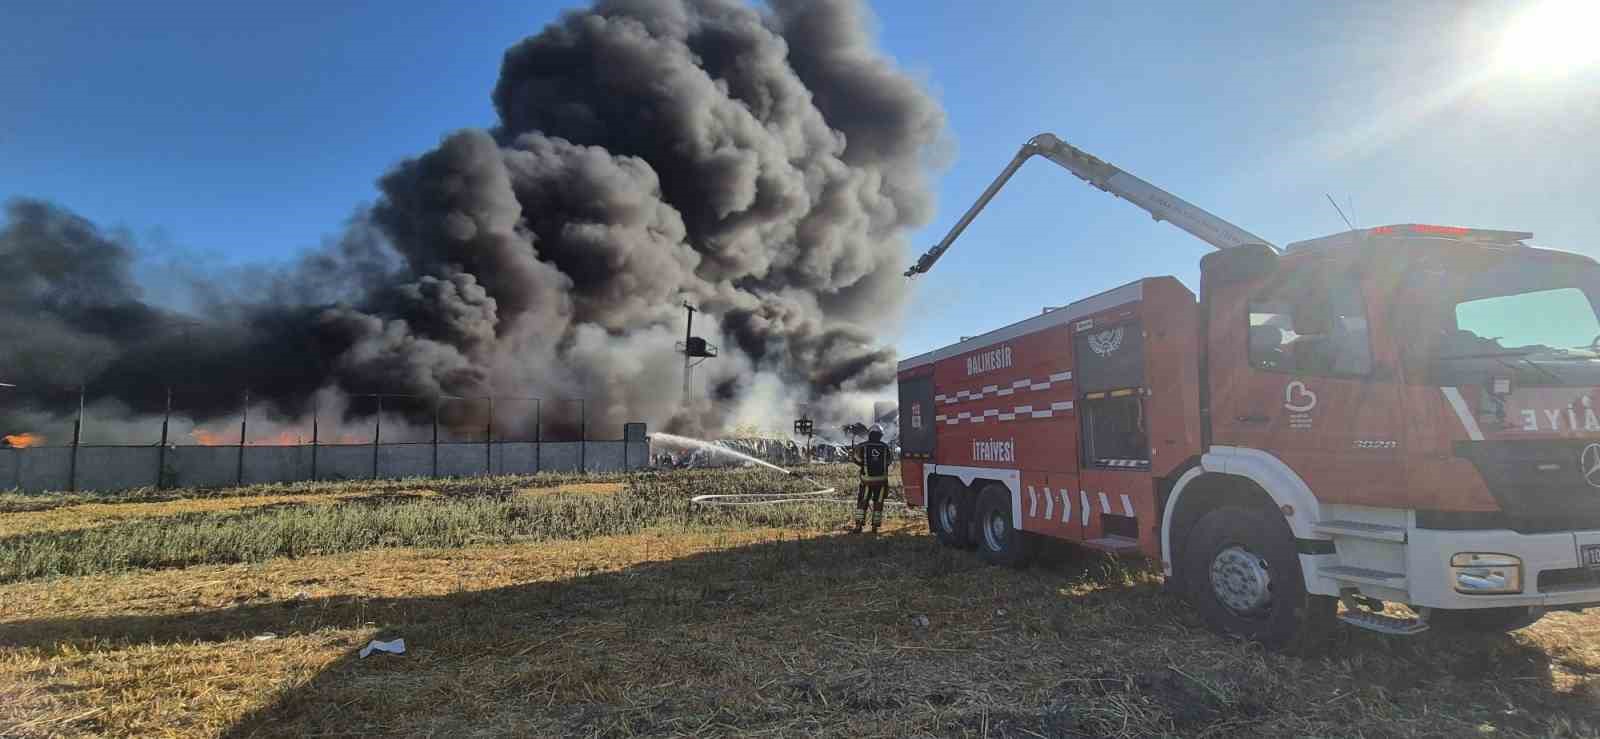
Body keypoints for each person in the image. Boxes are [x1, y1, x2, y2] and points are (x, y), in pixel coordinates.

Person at [850, 424, 892, 533]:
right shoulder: (885, 447)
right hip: (881, 481)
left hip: (867, 480)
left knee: (863, 501)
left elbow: (856, 459)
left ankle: (858, 526)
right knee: (878, 503)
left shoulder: (862, 446)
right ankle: (875, 527)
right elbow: (889, 461)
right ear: (880, 435)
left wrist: (864, 465)